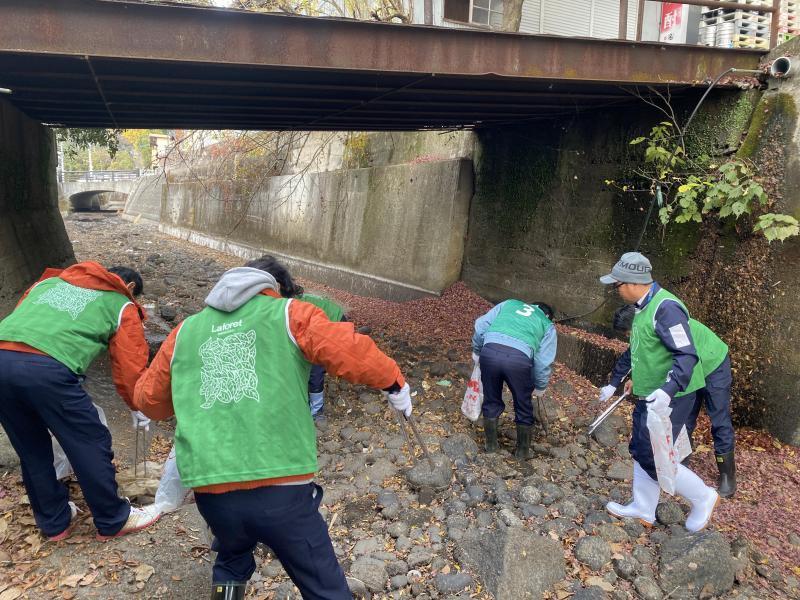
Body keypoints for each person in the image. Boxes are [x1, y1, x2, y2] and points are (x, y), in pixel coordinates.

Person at [133, 255, 410, 600]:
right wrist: (394, 383)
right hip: (282, 488)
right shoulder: (290, 314)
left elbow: (149, 401)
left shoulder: (184, 332)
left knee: (232, 557)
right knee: (322, 583)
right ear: (274, 288)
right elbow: (349, 350)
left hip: (212, 491)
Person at [0, 262, 160, 542]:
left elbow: (25, 325)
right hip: (48, 369)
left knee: (31, 448)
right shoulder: (121, 303)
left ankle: (54, 522)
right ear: (131, 288)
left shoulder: (46, 284)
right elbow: (129, 365)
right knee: (89, 440)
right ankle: (113, 518)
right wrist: (137, 405)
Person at [599, 252, 720, 532]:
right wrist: (620, 381)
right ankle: (643, 507)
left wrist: (668, 389)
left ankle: (703, 496)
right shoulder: (642, 307)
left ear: (632, 282)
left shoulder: (666, 308)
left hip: (673, 395)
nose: (616, 291)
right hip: (649, 393)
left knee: (656, 455)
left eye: (617, 285)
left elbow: (686, 355)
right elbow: (641, 351)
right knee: (641, 448)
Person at [599, 304, 736, 497]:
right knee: (685, 419)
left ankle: (727, 477)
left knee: (718, 419)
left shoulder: (663, 327)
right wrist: (614, 383)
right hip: (688, 370)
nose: (629, 337)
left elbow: (674, 361)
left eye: (628, 332)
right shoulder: (644, 330)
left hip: (712, 362)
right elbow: (637, 356)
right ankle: (681, 466)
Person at [472, 300, 557, 459]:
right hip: (518, 360)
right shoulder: (547, 324)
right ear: (548, 315)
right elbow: (542, 362)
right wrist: (539, 386)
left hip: (489, 351)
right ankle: (522, 452)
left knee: (491, 399)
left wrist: (477, 351)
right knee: (523, 403)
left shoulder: (509, 304)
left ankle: (491, 446)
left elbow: (481, 325)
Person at [296, 291, 347, 421]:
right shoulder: (288, 297)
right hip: (328, 318)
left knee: (315, 365)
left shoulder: (288, 306)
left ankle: (317, 410)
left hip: (335, 323)